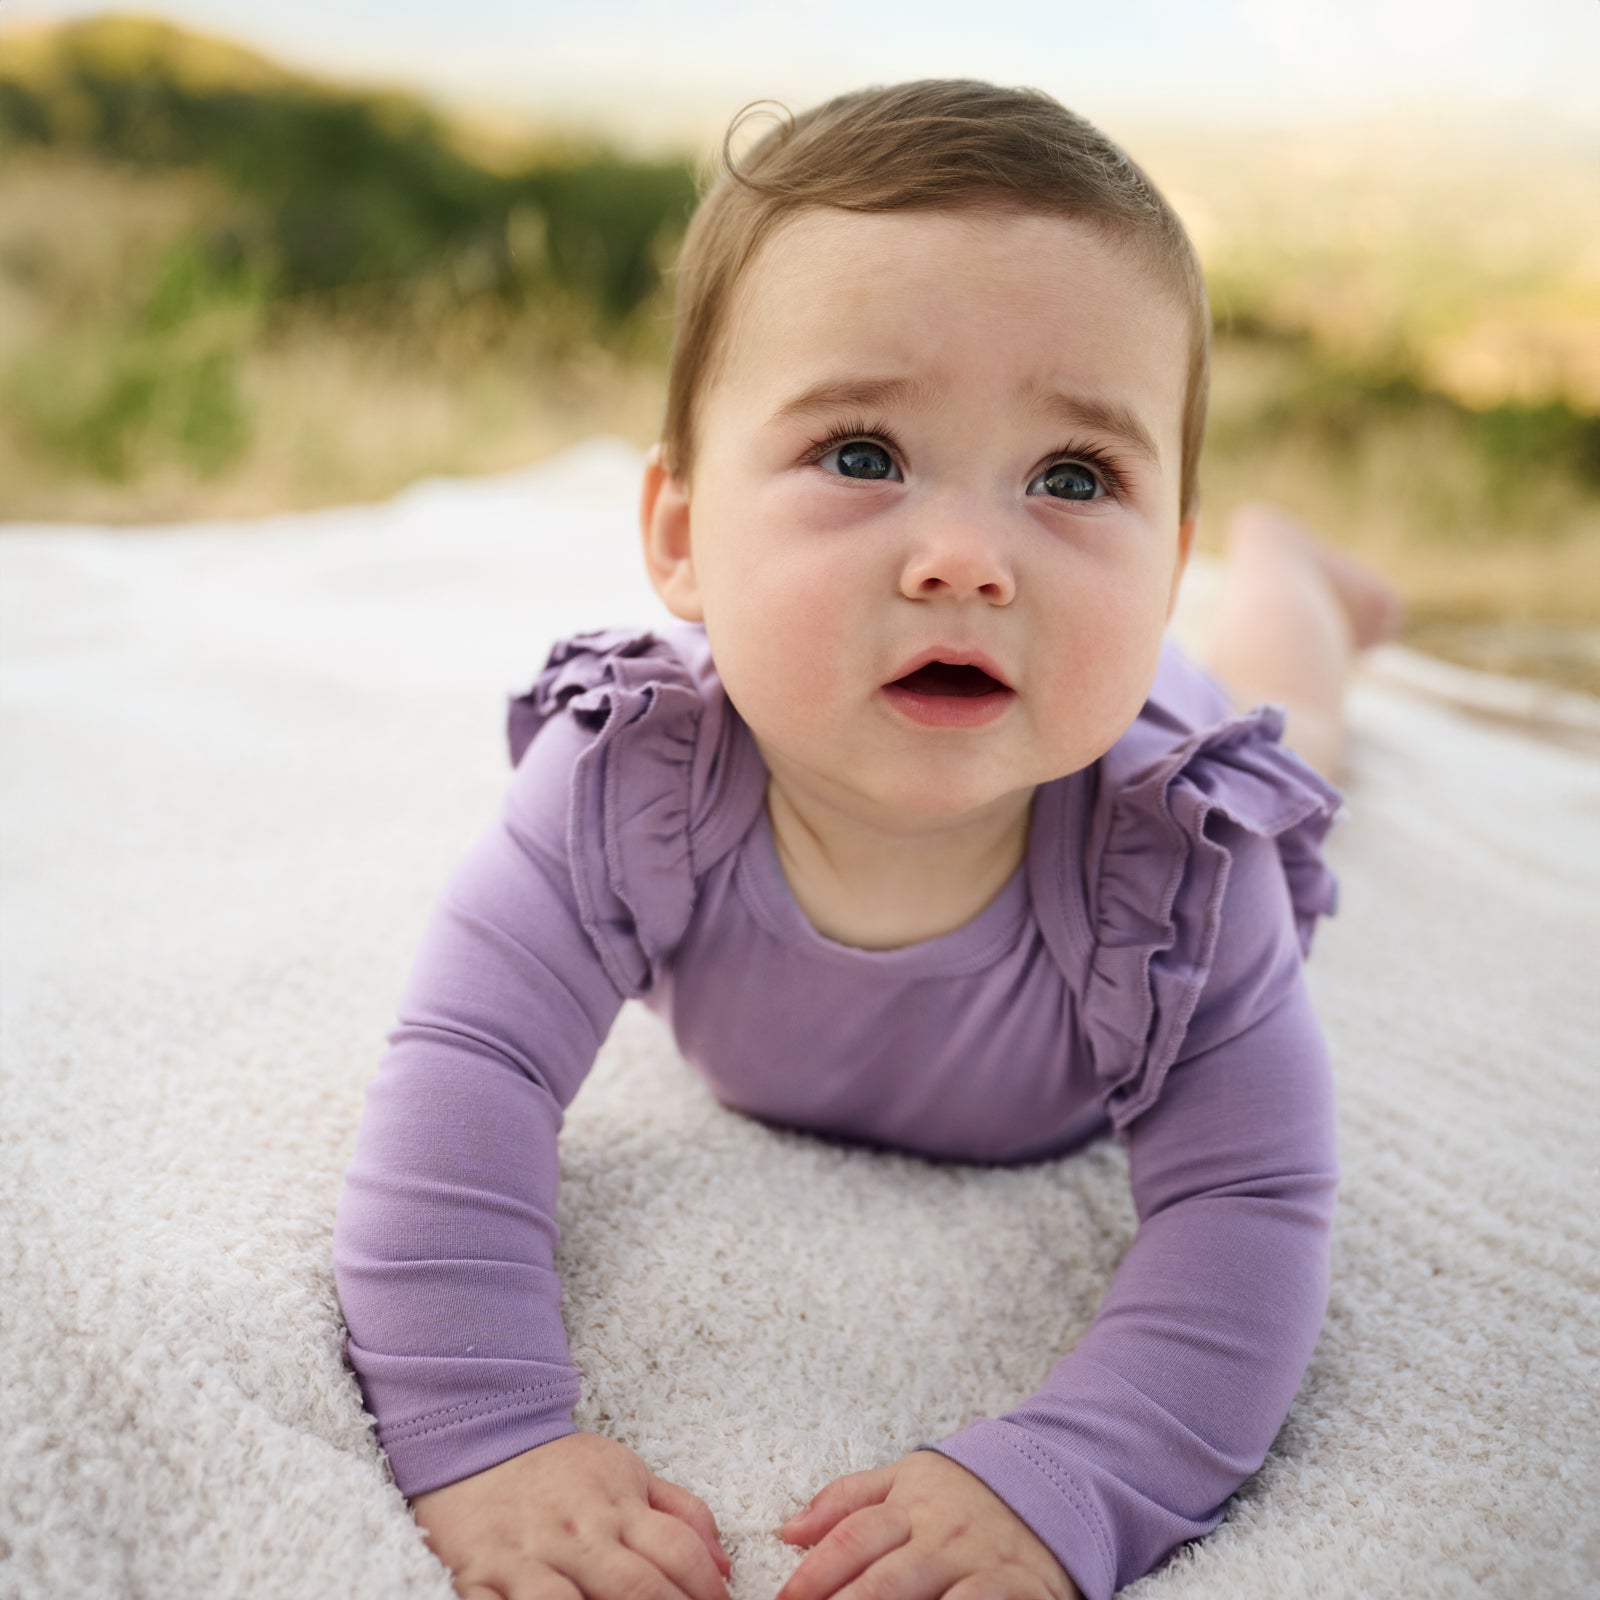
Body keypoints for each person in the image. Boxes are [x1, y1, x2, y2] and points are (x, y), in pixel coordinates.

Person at [331, 79, 1405, 1600]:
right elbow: (465, 1074)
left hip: (1137, 725)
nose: (968, 558)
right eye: (861, 454)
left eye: (1073, 478)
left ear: (1161, 570)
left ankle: (1289, 583)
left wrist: (1078, 1476)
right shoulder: (624, 784)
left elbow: (1250, 1207)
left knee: (1305, 721)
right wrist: (485, 1432)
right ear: (683, 536)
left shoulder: (1179, 865)